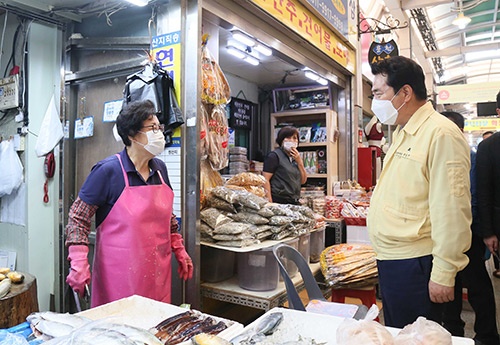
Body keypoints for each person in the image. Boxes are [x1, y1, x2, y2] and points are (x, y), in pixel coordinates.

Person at [366, 56, 472, 329]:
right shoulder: (404, 131)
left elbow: (452, 208)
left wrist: (445, 272)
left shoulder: (441, 134)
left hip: (416, 264)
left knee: (417, 336)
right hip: (393, 259)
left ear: (405, 93)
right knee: (400, 332)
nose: (374, 100)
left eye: (378, 93)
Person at [65, 100, 193, 308]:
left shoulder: (160, 169)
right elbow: (78, 216)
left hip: (158, 275)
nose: (159, 133)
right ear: (132, 135)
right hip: (118, 281)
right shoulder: (107, 171)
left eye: (159, 127)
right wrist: (79, 260)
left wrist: (178, 247)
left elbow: (167, 216)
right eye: (152, 128)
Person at [440, 111, 499, 345]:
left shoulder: (470, 156)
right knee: (450, 283)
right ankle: (454, 332)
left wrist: (480, 231)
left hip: (467, 232)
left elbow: (474, 196)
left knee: (476, 284)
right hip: (448, 231)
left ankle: (486, 335)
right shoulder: (446, 154)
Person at [263, 126, 307, 204]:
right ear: (281, 140)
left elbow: (303, 181)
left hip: (294, 201)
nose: (292, 141)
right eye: (288, 137)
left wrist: (300, 162)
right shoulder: (274, 156)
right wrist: (269, 202)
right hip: (279, 200)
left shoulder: (295, 158)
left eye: (294, 138)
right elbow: (265, 180)